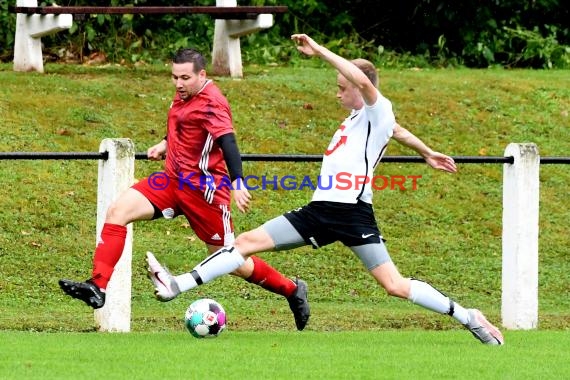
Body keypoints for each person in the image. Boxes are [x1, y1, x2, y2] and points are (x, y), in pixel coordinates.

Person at [146, 34, 504, 345]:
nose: (338, 92)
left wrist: (318, 50)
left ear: (360, 86)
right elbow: (397, 131)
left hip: (351, 214)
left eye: (341, 87)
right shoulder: (359, 119)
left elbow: (373, 99)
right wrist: (427, 152)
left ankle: (468, 316)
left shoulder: (377, 108)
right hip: (320, 211)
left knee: (395, 286)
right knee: (243, 244)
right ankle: (177, 285)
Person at [58, 48, 310, 331]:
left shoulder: (214, 102)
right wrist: (165, 143)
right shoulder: (184, 94)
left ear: (202, 75)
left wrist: (238, 182)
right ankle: (98, 286)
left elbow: (228, 143)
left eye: (185, 78)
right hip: (170, 182)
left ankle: (291, 289)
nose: (178, 84)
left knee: (232, 260)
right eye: (175, 77)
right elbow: (184, 123)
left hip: (205, 192)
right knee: (118, 211)